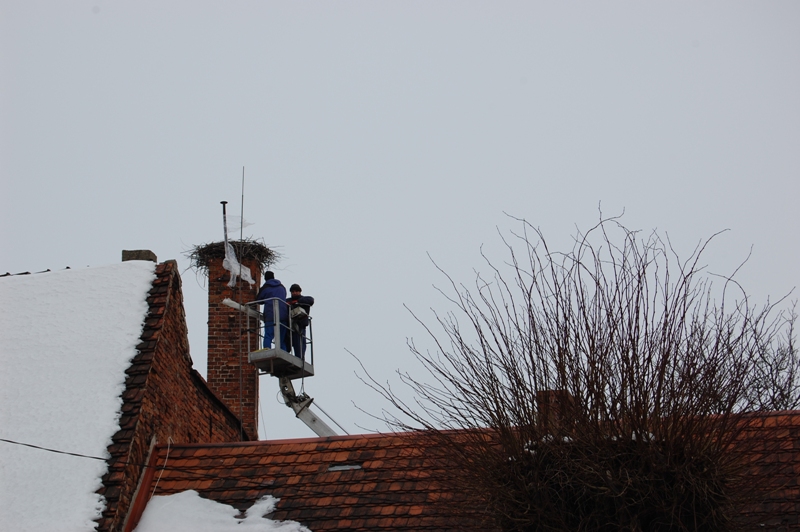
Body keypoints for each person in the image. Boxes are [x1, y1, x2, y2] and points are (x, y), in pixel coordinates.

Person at [255, 271, 289, 350]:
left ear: (265, 278)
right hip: (283, 315)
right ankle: (283, 352)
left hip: (271, 315)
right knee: (281, 339)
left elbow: (259, 300)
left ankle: (267, 350)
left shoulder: (266, 287)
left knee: (268, 336)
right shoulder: (282, 287)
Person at [286, 283, 314, 360]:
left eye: (296, 291)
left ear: (299, 291)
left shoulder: (305, 299)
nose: (294, 293)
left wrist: (298, 302)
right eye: (292, 291)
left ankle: (300, 360)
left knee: (300, 345)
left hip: (300, 326)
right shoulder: (288, 301)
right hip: (290, 326)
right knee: (287, 343)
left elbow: (311, 300)